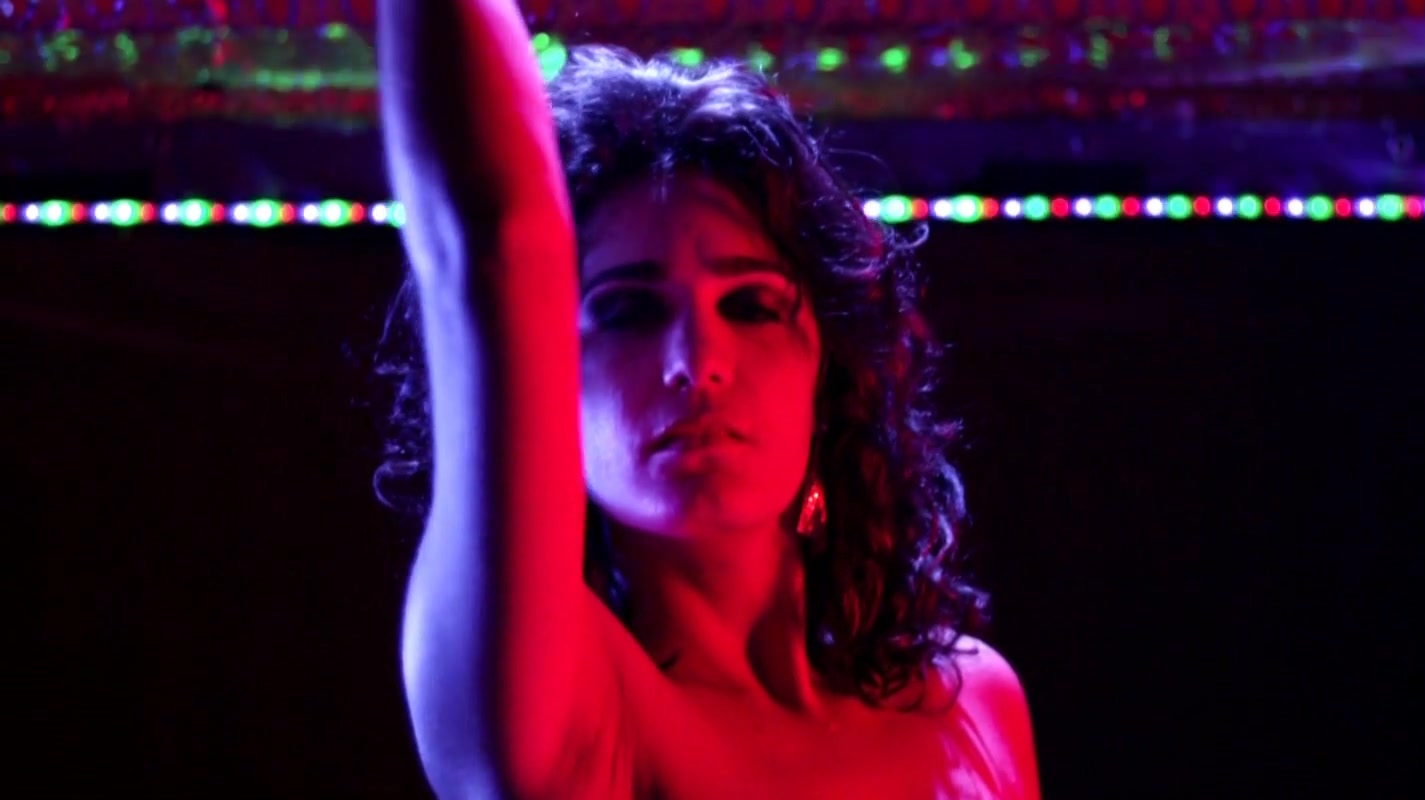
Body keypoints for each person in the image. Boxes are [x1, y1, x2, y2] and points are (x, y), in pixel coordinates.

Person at [371, 1, 1039, 797]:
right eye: (629, 311)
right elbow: (495, 241)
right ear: (548, 372)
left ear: (827, 369)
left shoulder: (973, 703)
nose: (697, 363)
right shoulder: (572, 721)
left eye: (752, 305)